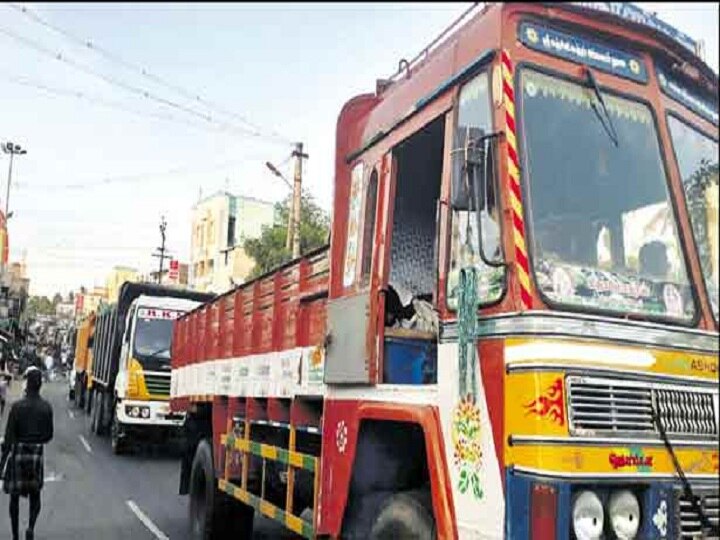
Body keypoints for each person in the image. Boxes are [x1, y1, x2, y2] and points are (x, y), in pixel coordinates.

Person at [0, 367, 54, 540]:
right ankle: (30, 527)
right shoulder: (46, 408)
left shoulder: (16, 407)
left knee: (14, 498)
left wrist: (1, 464)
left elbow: (8, 438)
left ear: (27, 384)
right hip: (36, 454)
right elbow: (49, 435)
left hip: (18, 454)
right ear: (39, 385)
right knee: (35, 495)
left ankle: (15, 535)